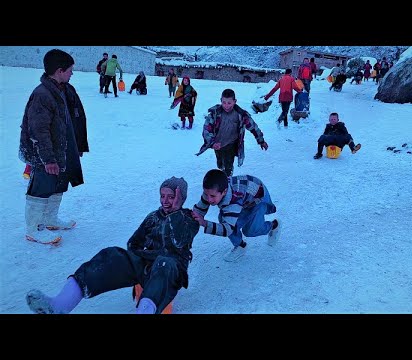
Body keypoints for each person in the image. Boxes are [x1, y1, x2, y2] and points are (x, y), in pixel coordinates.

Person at [26, 177, 200, 314]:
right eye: (163, 196)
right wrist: (141, 259)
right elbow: (133, 243)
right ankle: (60, 305)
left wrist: (176, 212)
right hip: (147, 265)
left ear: (181, 199)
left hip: (170, 270)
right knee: (111, 255)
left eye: (172, 197)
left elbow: (178, 241)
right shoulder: (153, 216)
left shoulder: (188, 219)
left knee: (164, 263)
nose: (166, 201)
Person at [19, 49, 89, 245]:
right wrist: (48, 159)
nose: (72, 74)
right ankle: (34, 228)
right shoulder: (42, 95)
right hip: (44, 153)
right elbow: (38, 131)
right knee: (41, 187)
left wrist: (77, 146)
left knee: (58, 183)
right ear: (59, 71)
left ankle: (50, 219)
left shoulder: (63, 89)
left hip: (62, 148)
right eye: (70, 70)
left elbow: (75, 118)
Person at [192, 169, 280, 262]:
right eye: (206, 194)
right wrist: (192, 216)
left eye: (213, 196)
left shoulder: (233, 201)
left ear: (224, 192)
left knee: (250, 231)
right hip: (245, 198)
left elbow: (227, 229)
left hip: (257, 200)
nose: (209, 199)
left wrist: (205, 223)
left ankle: (274, 225)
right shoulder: (212, 190)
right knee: (223, 218)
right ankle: (240, 246)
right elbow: (200, 208)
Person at [195, 89, 269, 177]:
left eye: (229, 103)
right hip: (217, 145)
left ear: (235, 101)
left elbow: (253, 127)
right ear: (221, 100)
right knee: (220, 164)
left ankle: (228, 180)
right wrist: (212, 142)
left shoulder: (241, 114)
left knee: (228, 167)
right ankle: (222, 171)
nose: (226, 106)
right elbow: (207, 129)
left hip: (231, 145)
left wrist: (261, 140)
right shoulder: (215, 114)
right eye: (224, 102)